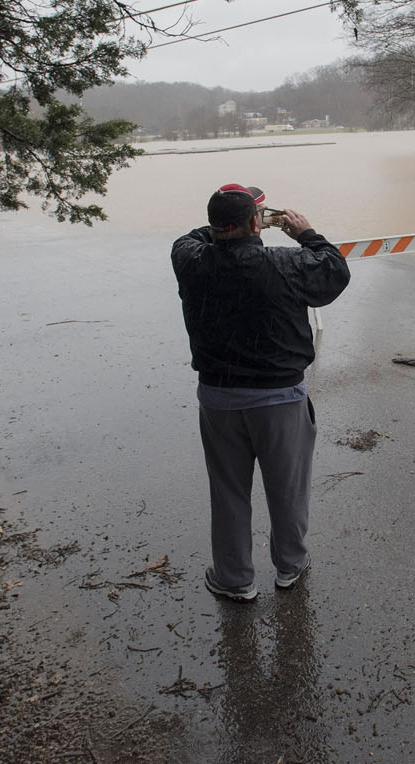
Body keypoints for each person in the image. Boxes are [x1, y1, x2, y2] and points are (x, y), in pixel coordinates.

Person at [172, 183, 350, 602]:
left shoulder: (190, 260)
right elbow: (335, 270)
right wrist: (305, 232)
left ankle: (235, 580)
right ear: (257, 223)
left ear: (217, 226)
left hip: (218, 399)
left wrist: (231, 222)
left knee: (229, 490)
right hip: (279, 399)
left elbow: (192, 238)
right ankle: (290, 566)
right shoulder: (286, 263)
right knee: (287, 488)